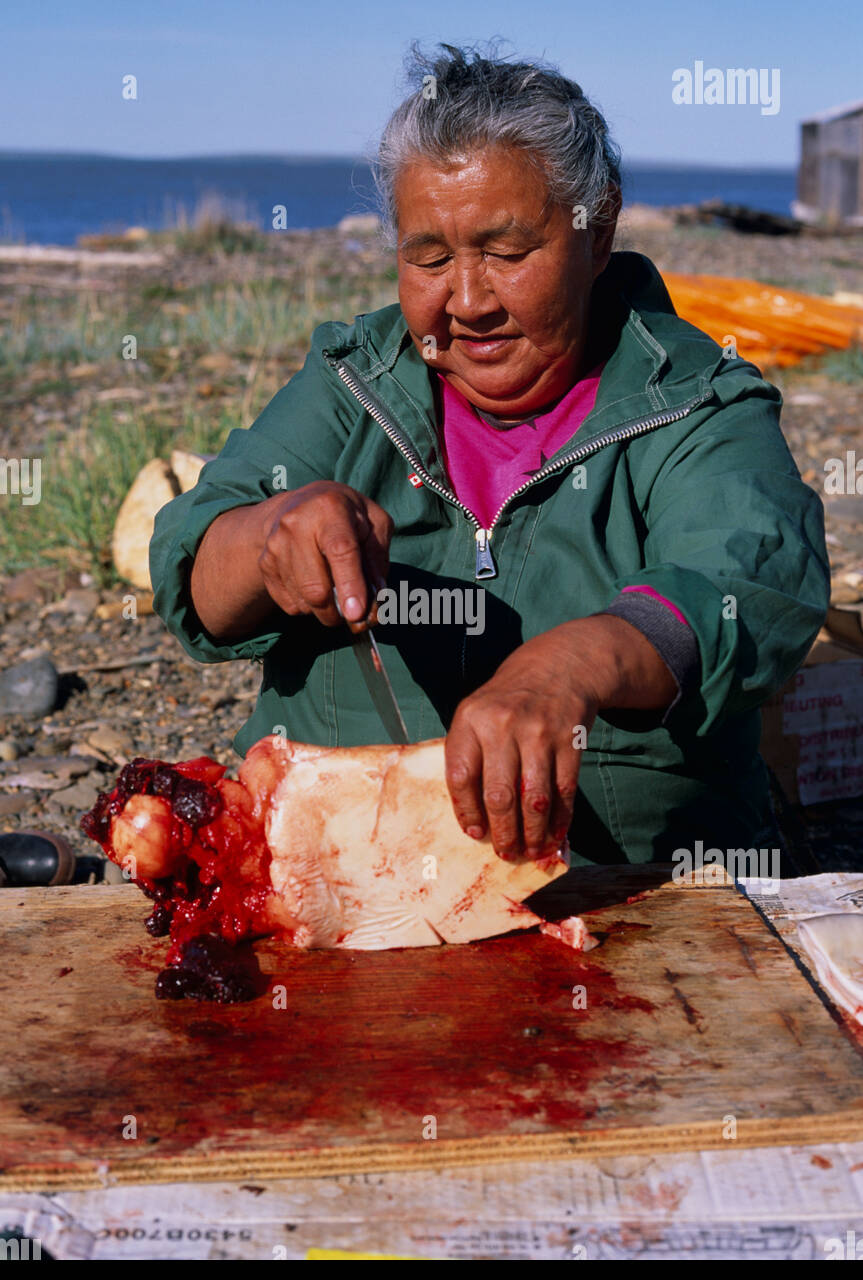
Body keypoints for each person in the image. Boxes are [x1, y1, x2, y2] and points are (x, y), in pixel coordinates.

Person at [150, 44, 830, 869]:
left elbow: (747, 580)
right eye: (428, 257)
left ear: (598, 228)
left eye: (508, 253)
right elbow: (197, 579)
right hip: (333, 879)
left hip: (627, 898)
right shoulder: (352, 383)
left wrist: (568, 667)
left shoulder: (693, 398)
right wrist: (270, 534)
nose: (466, 302)